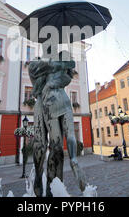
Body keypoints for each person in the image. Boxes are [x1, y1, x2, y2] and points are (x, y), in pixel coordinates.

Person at [29, 51, 87, 197]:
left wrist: (74, 159)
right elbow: (34, 71)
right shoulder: (38, 63)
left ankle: (54, 186)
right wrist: (56, 66)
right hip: (44, 103)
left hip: (58, 100)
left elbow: (70, 68)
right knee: (43, 145)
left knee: (57, 148)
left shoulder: (61, 61)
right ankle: (39, 177)